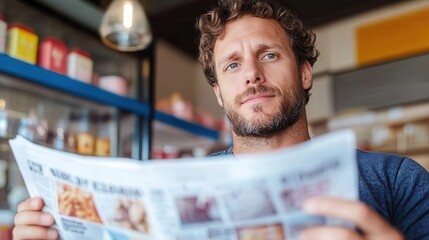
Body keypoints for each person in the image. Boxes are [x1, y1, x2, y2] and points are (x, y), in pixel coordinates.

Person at [12, 0, 429, 239]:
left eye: (268, 55)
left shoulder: (398, 180)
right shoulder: (176, 186)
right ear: (218, 92)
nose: (251, 74)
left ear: (304, 72)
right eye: (232, 65)